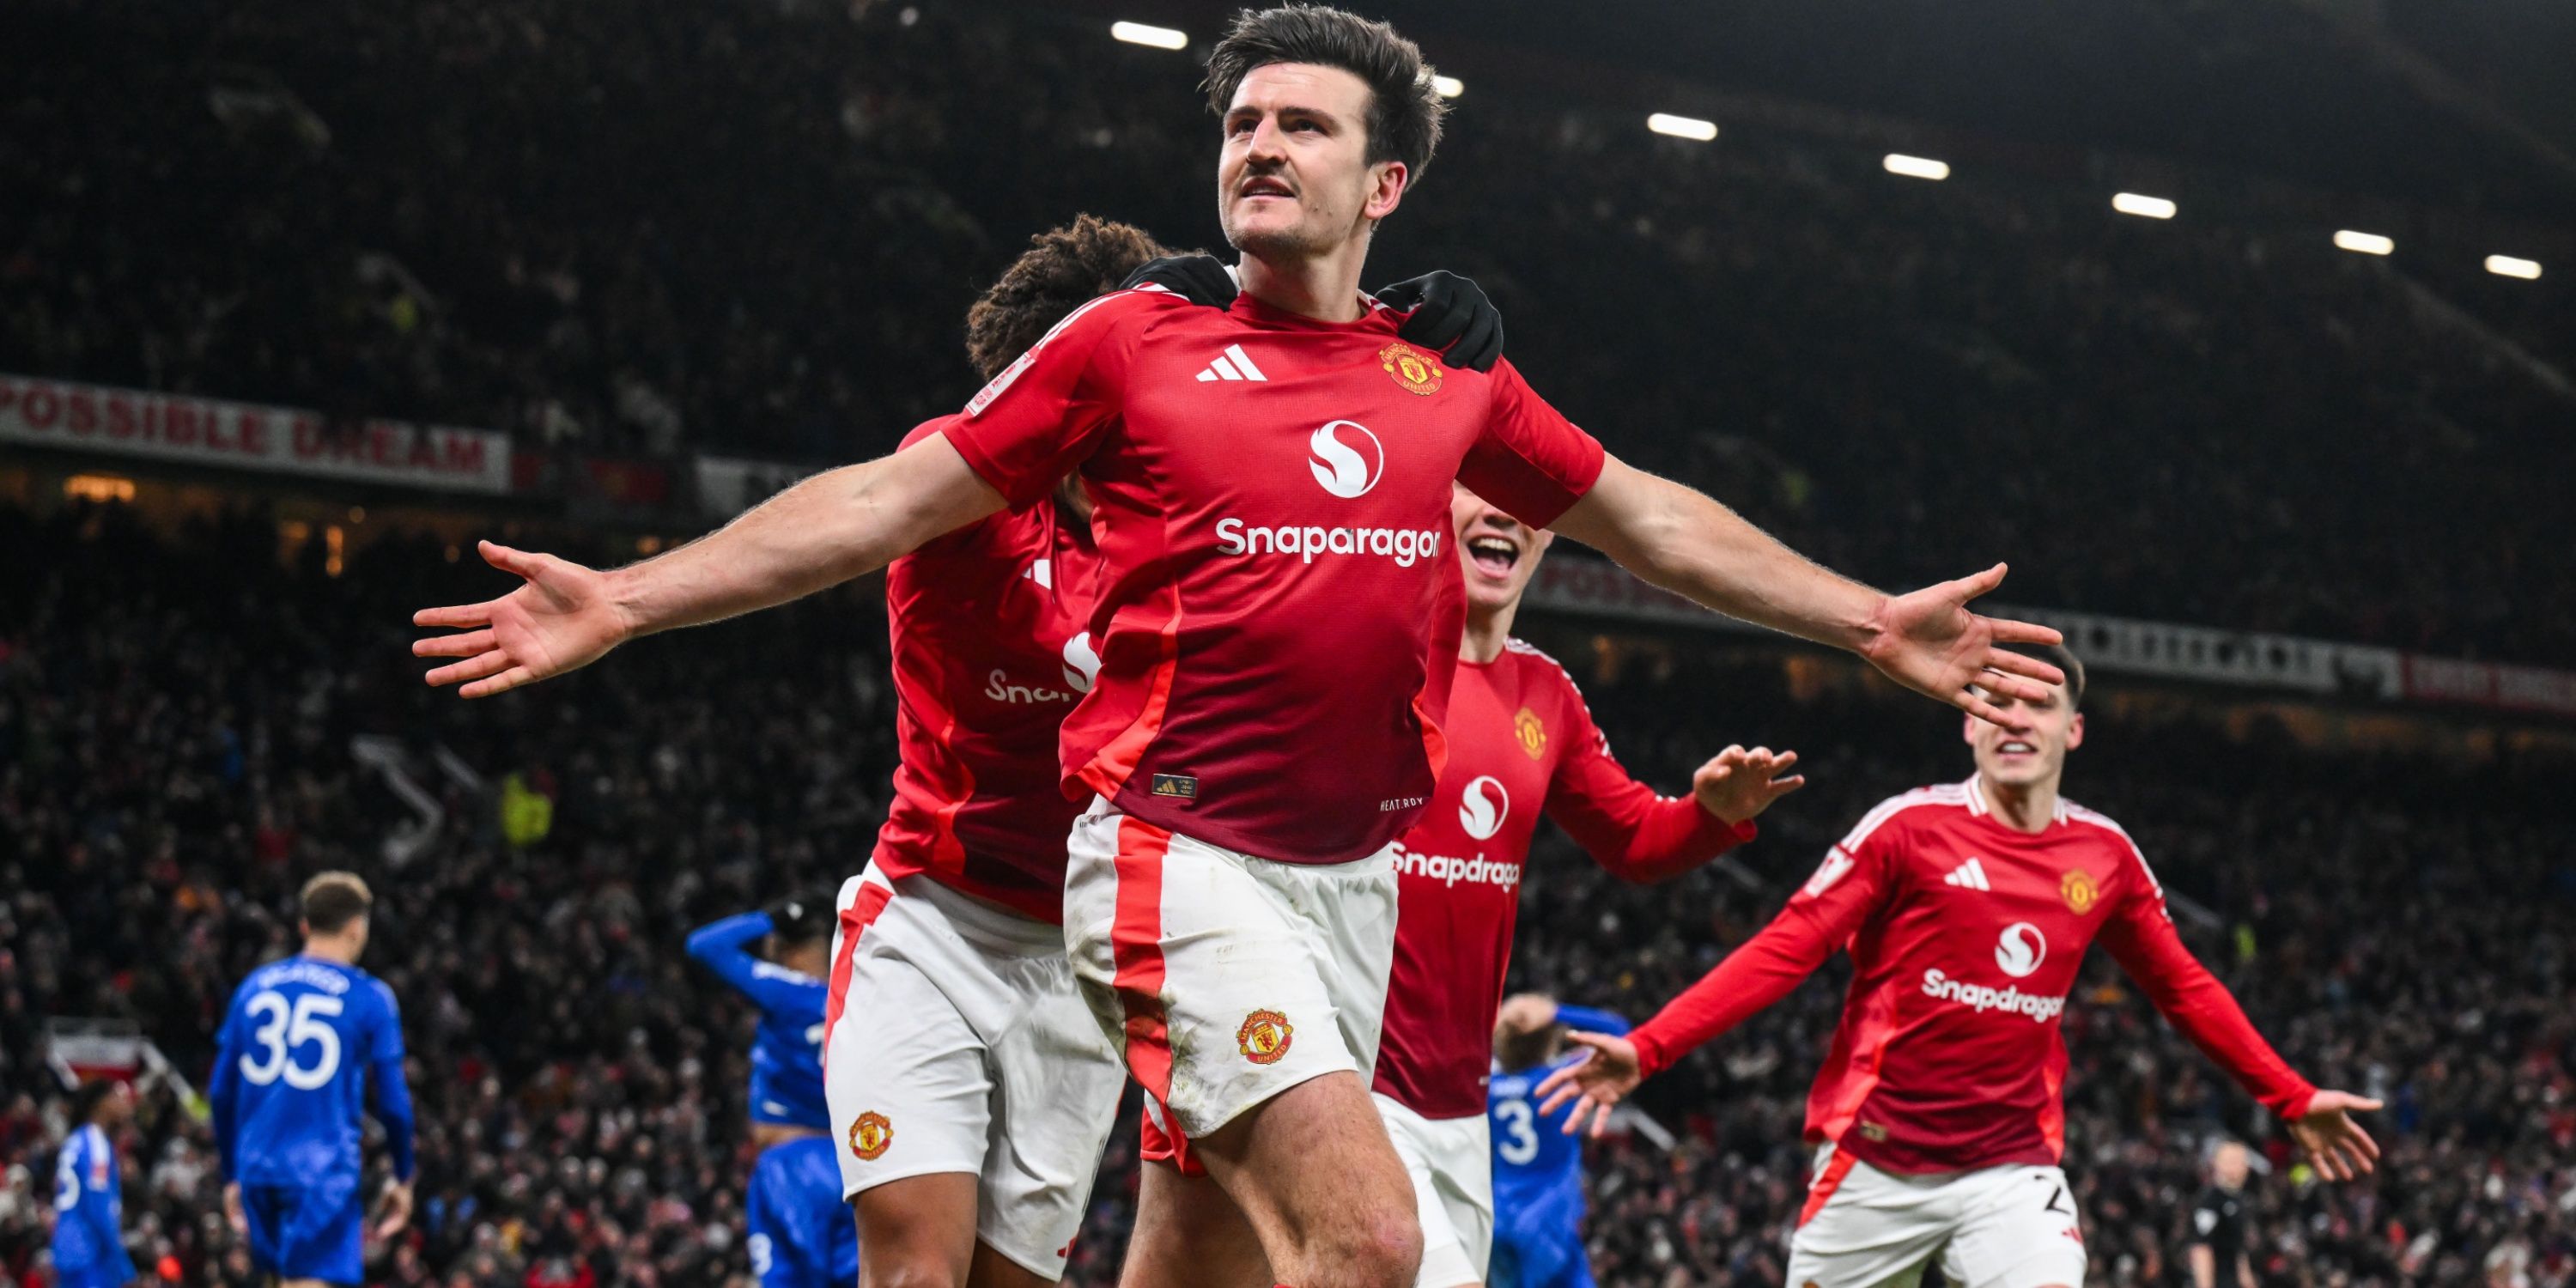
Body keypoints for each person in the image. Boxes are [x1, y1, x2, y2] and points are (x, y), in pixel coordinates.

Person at [410, 8, 2064, 1279]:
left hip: (1355, 885)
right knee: (1370, 1247)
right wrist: (626, 597)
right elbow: (875, 501)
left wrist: (1862, 616)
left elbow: (1646, 515)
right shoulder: (1129, 346)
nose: (1262, 145)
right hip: (1171, 855)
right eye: (1245, 121)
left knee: (1195, 1268)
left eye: (1305, 125)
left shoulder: (1449, 378)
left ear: (1385, 182)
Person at [1116, 483, 1804, 1288]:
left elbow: (1636, 840)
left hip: (1462, 1108)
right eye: (1482, 490)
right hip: (1349, 1079)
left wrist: (1709, 815)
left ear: (1548, 537)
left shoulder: (1546, 694)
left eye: (1528, 500)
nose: (1506, 512)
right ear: (1431, 504)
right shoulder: (1367, 659)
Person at [1537, 645, 2382, 1288]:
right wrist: (1649, 1047)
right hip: (1875, 1166)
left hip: (2012, 1172)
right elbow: (1788, 946)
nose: (2017, 720)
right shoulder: (1907, 830)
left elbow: (2185, 987)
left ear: (2073, 730)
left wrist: (2292, 1095)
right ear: (1968, 723)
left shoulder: (2106, 857)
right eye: (1996, 702)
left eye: (2040, 706)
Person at [210, 872, 417, 1288]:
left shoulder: (253, 988)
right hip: (321, 1175)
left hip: (257, 1169)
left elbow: (219, 1093)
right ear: (358, 927)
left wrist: (232, 1174)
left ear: (304, 926)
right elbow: (394, 1103)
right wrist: (403, 1175)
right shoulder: (371, 997)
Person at [1485, 997, 1625, 1288]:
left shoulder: (1488, 1084)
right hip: (1548, 1218)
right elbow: (1620, 1032)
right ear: (1549, 1040)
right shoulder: (1559, 1079)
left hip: (1498, 1212)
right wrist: (1557, 1012)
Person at [685, 896, 833, 1146]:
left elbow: (704, 945)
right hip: (845, 1147)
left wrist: (769, 918)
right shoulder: (858, 995)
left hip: (790, 1143)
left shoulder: (785, 991)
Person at [50, 1079, 138, 1288]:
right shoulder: (96, 1144)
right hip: (90, 1251)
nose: (125, 1104)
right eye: (117, 1097)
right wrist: (123, 1265)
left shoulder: (74, 1140)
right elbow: (99, 1210)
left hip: (66, 1247)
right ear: (102, 1104)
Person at [2189, 1139, 2258, 1288]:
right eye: (2232, 1161)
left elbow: (2238, 1250)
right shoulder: (2210, 1201)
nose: (2240, 1166)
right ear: (2217, 1164)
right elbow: (2201, 1249)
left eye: (2241, 1161)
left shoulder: (2239, 1200)